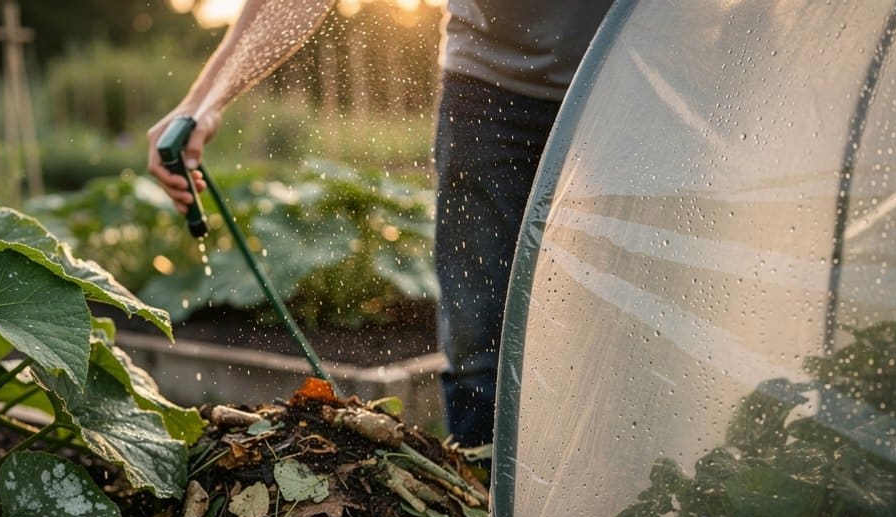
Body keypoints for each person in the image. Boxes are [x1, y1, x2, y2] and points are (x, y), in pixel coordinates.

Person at [147, 0, 611, 449]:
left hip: (628, 86)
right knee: (479, 345)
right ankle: (484, 504)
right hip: (491, 90)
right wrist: (204, 100)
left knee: (617, 331)